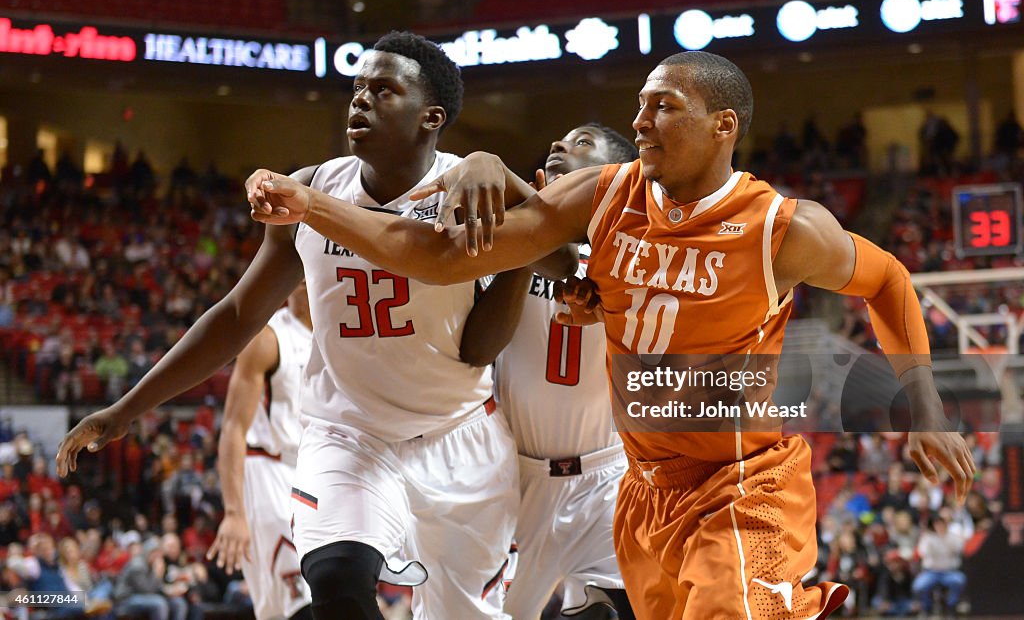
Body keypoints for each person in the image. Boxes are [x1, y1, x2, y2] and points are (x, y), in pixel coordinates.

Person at [241, 49, 976, 619]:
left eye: (664, 107)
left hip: (739, 482)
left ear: (724, 127)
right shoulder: (605, 198)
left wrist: (927, 405)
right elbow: (436, 256)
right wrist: (312, 204)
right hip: (644, 491)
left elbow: (887, 281)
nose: (641, 121)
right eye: (639, 105)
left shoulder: (782, 229)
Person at [57, 31, 575, 619]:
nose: (360, 101)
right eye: (357, 88)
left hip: (459, 435)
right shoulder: (313, 190)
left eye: (384, 90)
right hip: (348, 434)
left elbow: (561, 258)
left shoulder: (471, 183)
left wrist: (504, 179)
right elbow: (235, 315)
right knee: (336, 583)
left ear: (431, 117)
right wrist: (127, 408)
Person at [461, 123, 638, 619]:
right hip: (511, 479)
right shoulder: (502, 245)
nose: (559, 144)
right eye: (558, 139)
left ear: (611, 177)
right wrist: (525, 237)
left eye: (583, 143)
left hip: (605, 475)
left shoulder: (631, 254)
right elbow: (478, 346)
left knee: (610, 611)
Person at [206, 282, 313, 620]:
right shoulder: (268, 339)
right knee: (302, 600)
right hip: (270, 473)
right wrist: (235, 513)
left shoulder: (341, 335)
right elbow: (234, 429)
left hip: (316, 473)